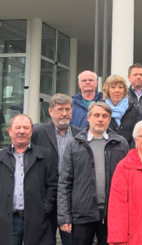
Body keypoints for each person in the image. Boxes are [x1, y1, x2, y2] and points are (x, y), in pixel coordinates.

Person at [58, 102, 130, 245]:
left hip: (112, 213)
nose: (100, 119)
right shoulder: (74, 144)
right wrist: (64, 216)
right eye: (96, 115)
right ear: (88, 117)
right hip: (82, 213)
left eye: (105, 116)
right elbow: (65, 182)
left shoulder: (120, 144)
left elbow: (129, 181)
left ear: (109, 120)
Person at [31, 93, 80, 245]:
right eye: (60, 109)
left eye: (67, 109)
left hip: (71, 198)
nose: (64, 113)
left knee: (72, 240)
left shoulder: (80, 134)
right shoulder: (37, 132)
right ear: (50, 111)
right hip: (46, 196)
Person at [0, 114, 57, 245]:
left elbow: (53, 185)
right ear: (9, 131)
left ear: (31, 131)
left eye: (26, 128)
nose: (21, 131)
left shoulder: (45, 155)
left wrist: (45, 208)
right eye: (17, 127)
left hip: (37, 219)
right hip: (8, 222)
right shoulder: (1, 157)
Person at [103, 74, 141, 146]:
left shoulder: (133, 109)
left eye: (120, 87)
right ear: (107, 90)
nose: (117, 90)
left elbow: (138, 133)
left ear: (124, 90)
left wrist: (130, 153)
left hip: (128, 153)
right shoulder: (101, 109)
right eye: (113, 87)